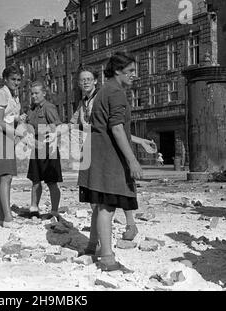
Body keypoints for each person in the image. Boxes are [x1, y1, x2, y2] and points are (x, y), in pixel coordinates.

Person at [78, 51, 142, 272]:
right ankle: (107, 258)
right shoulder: (116, 93)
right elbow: (116, 128)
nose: (135, 75)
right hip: (106, 155)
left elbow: (113, 127)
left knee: (100, 202)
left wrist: (139, 142)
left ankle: (91, 245)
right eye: (131, 71)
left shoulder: (104, 91)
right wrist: (132, 160)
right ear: (117, 71)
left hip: (96, 152)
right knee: (107, 206)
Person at [0, 64, 27, 228]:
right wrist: (17, 132)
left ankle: (1, 216)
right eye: (13, 79)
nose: (16, 82)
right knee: (5, 177)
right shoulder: (2, 94)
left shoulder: (13, 95)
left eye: (18, 80)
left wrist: (19, 120)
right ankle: (8, 218)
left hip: (6, 136)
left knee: (4, 177)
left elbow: (9, 118)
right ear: (5, 79)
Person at [26, 81, 63, 218]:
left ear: (44, 93)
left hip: (48, 146)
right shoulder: (32, 109)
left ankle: (54, 211)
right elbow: (29, 125)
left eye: (36, 93)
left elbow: (57, 126)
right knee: (35, 180)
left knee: (51, 181)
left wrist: (44, 133)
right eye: (32, 94)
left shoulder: (49, 107)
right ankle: (34, 208)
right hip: (36, 145)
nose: (34, 96)